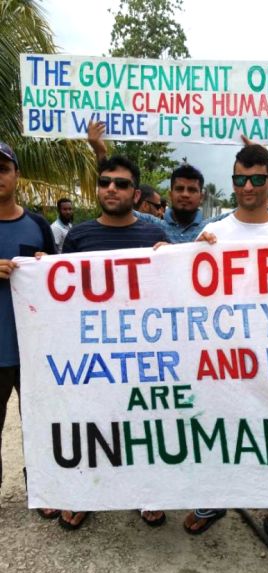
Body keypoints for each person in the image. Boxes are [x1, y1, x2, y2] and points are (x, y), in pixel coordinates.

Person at [184, 144, 268, 539]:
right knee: (218, 427)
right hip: (222, 358)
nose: (247, 187)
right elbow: (187, 291)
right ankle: (214, 497)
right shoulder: (212, 233)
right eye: (239, 179)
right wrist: (170, 259)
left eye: (255, 179)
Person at [59, 154, 170, 530]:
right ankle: (88, 494)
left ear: (135, 193)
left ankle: (146, 493)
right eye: (105, 181)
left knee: (142, 422)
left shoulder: (155, 236)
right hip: (92, 352)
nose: (111, 188)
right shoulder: (79, 235)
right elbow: (59, 292)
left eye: (121, 184)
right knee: (92, 423)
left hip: (143, 352)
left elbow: (174, 289)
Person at [0, 142, 57, 518]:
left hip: (34, 351)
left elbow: (61, 279)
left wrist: (47, 266)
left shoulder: (38, 225)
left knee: (40, 425)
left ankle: (44, 489)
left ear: (17, 174)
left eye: (3, 168)